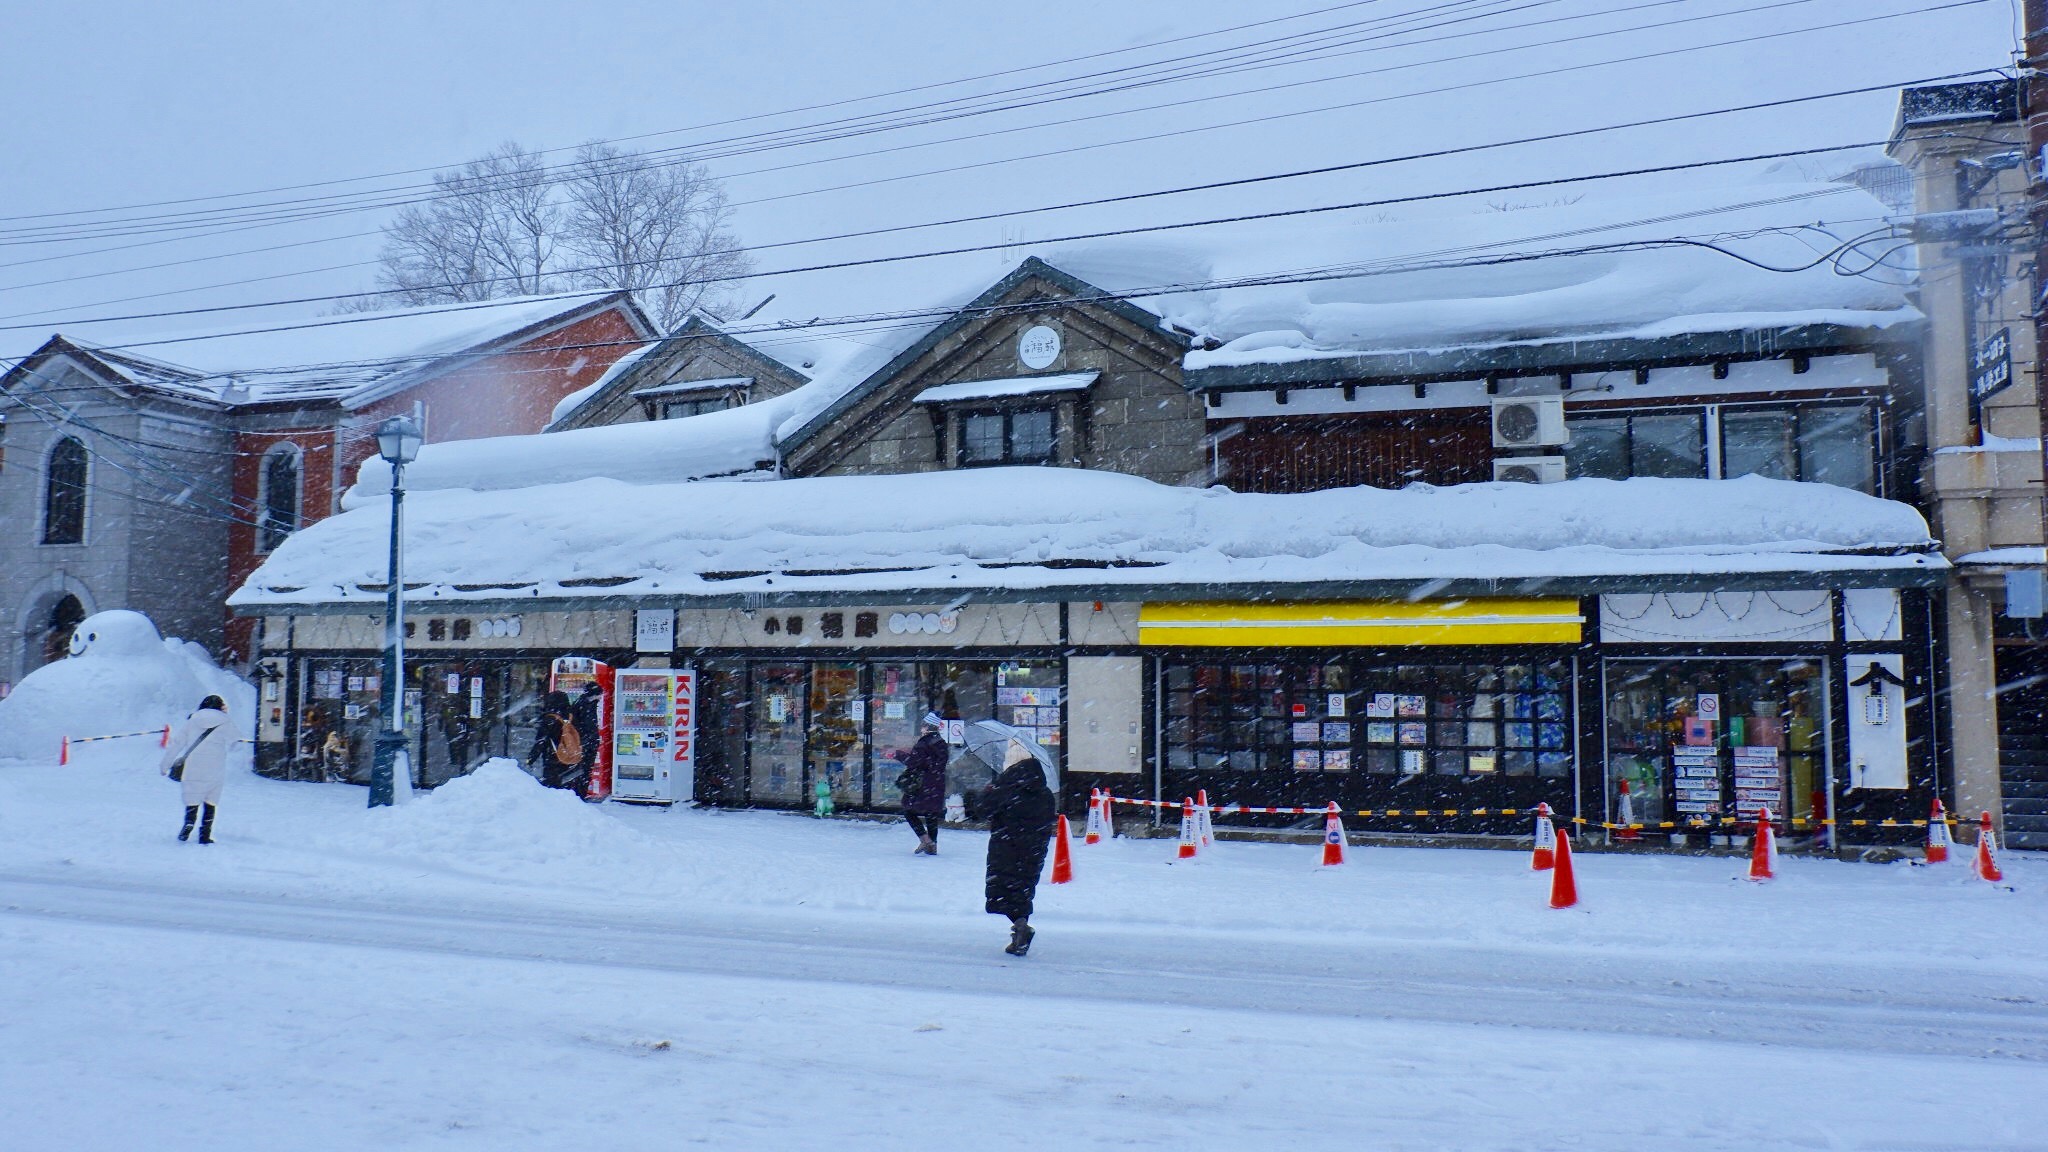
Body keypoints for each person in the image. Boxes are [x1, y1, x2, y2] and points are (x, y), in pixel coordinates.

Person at [982, 738, 1056, 956]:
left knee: (1003, 890)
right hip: (1034, 850)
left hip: (1006, 848)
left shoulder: (1005, 790)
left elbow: (982, 809)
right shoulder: (1044, 793)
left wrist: (988, 793)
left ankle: (1021, 928)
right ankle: (1020, 929)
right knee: (1023, 890)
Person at [161, 695, 232, 844]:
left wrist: (165, 765)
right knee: (210, 801)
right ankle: (205, 834)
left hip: (193, 766)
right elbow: (234, 743)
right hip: (215, 768)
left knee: (192, 798)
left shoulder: (192, 721)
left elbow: (177, 744)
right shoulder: (225, 723)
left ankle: (189, 823)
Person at [897, 711, 949, 855]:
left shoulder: (923, 743)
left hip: (922, 784)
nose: (921, 728)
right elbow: (938, 763)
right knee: (931, 814)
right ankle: (933, 845)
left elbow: (914, 762)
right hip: (936, 783)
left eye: (923, 725)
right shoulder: (941, 742)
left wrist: (898, 754)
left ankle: (925, 840)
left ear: (928, 726)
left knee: (908, 810)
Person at [529, 690, 578, 789]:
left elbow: (541, 741)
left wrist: (531, 758)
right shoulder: (570, 716)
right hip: (568, 755)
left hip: (553, 756)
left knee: (551, 786)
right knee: (565, 787)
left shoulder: (549, 719)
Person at [571, 681, 604, 798]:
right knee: (584, 770)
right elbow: (587, 726)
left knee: (581, 770)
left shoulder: (582, 703)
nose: (601, 697)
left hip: (583, 742)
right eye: (600, 694)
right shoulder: (587, 706)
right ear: (595, 694)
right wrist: (591, 741)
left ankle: (578, 793)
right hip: (586, 743)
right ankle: (580, 794)